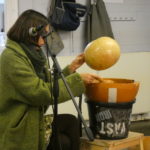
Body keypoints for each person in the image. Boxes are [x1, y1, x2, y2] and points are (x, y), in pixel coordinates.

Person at [0, 9, 101, 150]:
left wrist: (71, 69)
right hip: (19, 126)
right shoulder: (11, 58)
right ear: (31, 33)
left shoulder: (32, 54)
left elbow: (48, 84)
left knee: (71, 122)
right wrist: (78, 80)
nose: (44, 40)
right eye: (43, 35)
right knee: (63, 142)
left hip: (34, 117)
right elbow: (39, 92)